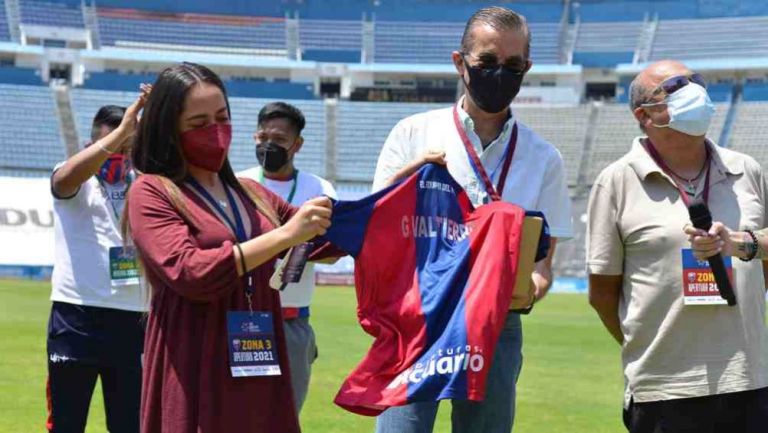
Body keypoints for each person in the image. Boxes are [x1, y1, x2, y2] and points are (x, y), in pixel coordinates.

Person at [371, 6, 573, 432]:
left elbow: (543, 262)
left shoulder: (544, 158)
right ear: (459, 63)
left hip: (497, 325)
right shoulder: (413, 134)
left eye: (513, 66)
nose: (500, 74)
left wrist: (533, 287)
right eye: (487, 62)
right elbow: (377, 230)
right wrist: (406, 182)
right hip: (417, 319)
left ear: (527, 68)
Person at [125, 62, 333, 433]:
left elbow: (326, 239)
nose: (216, 132)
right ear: (169, 130)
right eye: (199, 123)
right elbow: (190, 272)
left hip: (258, 359)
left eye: (222, 117)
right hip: (194, 360)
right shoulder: (152, 191)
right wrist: (284, 236)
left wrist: (404, 185)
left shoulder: (250, 192)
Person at [587, 59, 768, 433]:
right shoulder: (615, 181)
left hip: (750, 382)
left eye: (696, 81)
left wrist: (741, 244)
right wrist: (651, 345)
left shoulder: (746, 169)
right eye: (675, 87)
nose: (694, 90)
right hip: (664, 390)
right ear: (644, 115)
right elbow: (603, 293)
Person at [47, 99, 147, 433]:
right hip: (76, 316)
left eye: (127, 145)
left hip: (135, 318)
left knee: (129, 424)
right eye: (114, 144)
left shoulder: (146, 183)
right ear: (93, 144)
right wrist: (117, 136)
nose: (120, 154)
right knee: (67, 423)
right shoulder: (72, 173)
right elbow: (63, 181)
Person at [239, 102, 337, 414]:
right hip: (246, 321)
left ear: (297, 145)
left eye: (279, 140)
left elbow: (334, 253)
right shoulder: (237, 183)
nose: (268, 145)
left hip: (293, 321)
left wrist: (294, 242)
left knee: (284, 416)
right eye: (262, 137)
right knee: (240, 414)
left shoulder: (319, 189)